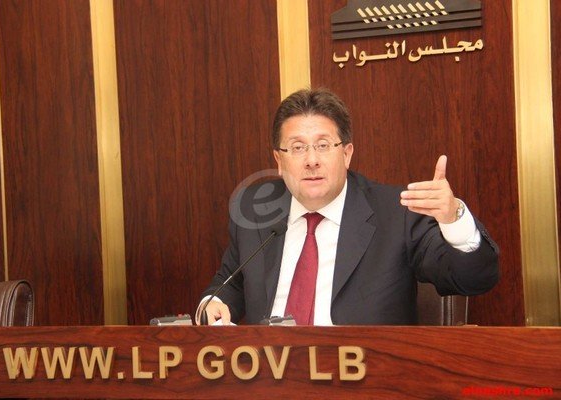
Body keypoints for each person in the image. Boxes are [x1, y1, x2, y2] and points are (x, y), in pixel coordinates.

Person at [198, 88, 499, 325]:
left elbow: (473, 280)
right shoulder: (257, 209)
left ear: (347, 154)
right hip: (270, 372)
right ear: (279, 160)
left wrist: (454, 219)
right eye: (298, 147)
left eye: (323, 145)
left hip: (362, 372)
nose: (311, 160)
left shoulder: (396, 215)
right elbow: (230, 282)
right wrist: (213, 303)